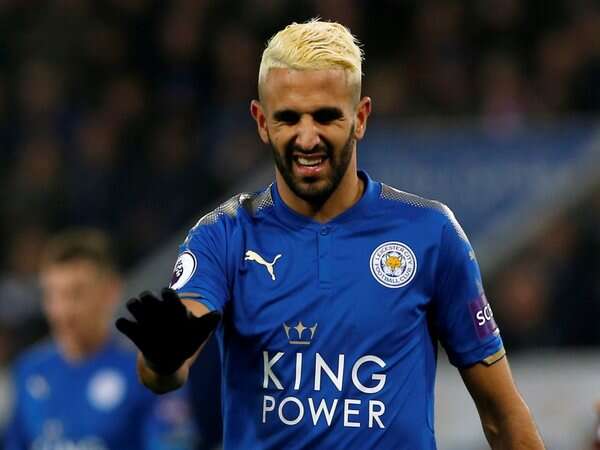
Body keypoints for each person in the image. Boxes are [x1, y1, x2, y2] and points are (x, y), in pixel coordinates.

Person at [116, 19, 545, 449]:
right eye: (288, 118)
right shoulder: (224, 236)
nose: (307, 138)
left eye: (326, 116)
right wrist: (162, 357)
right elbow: (168, 365)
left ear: (360, 118)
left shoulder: (430, 234)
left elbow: (502, 415)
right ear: (261, 121)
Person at [5, 229, 198, 450]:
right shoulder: (30, 371)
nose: (63, 310)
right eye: (53, 295)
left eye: (76, 294)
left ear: (110, 291)